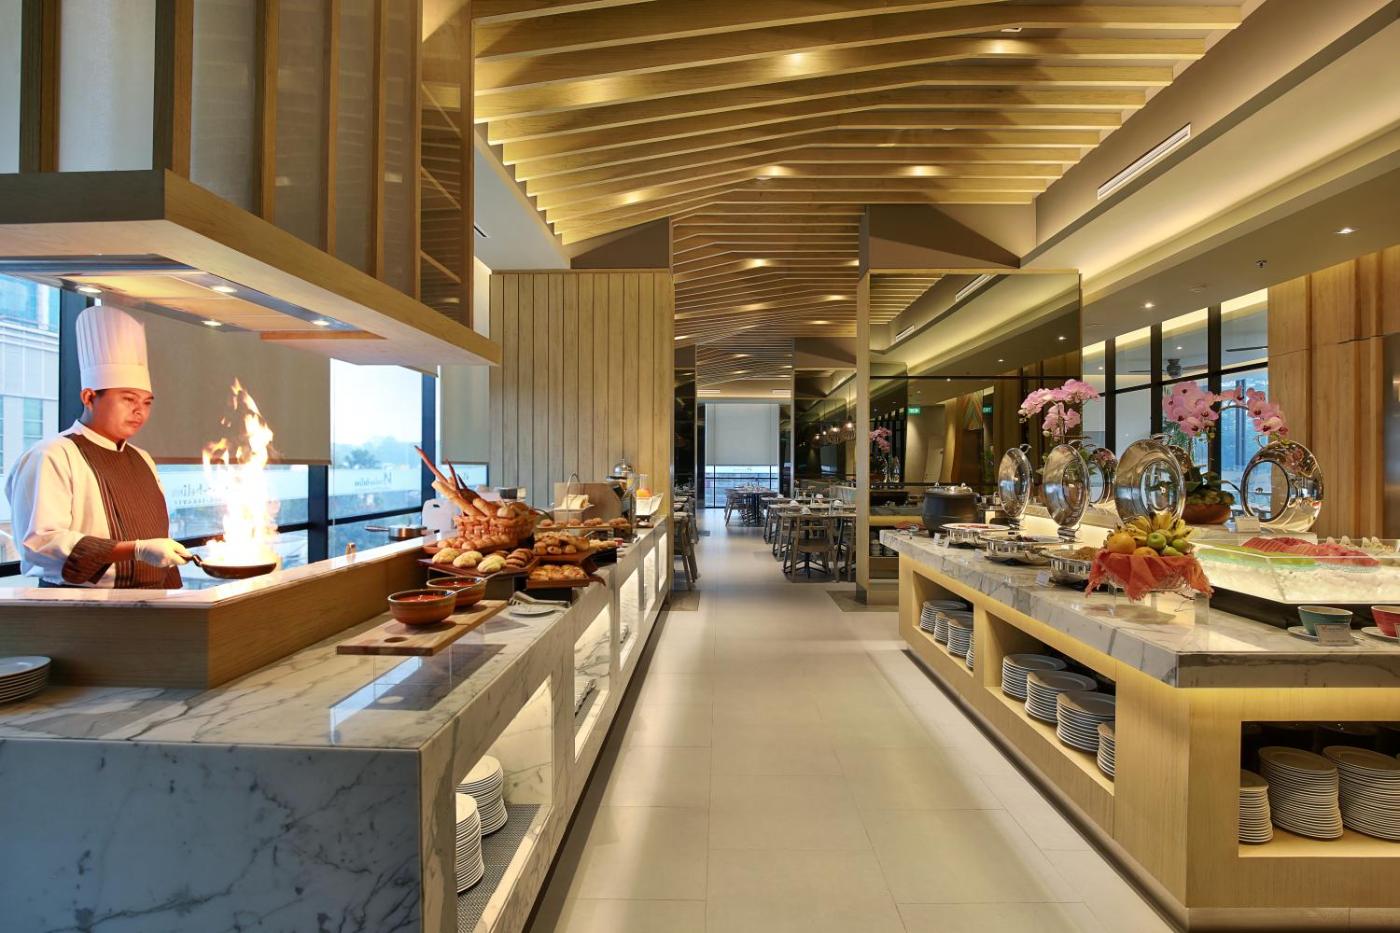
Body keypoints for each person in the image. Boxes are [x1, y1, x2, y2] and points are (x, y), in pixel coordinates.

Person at [4, 304, 190, 587]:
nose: (139, 411)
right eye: (128, 399)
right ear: (89, 397)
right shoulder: (52, 454)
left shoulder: (142, 458)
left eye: (146, 403)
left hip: (153, 600)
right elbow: (40, 542)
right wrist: (136, 549)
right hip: (81, 603)